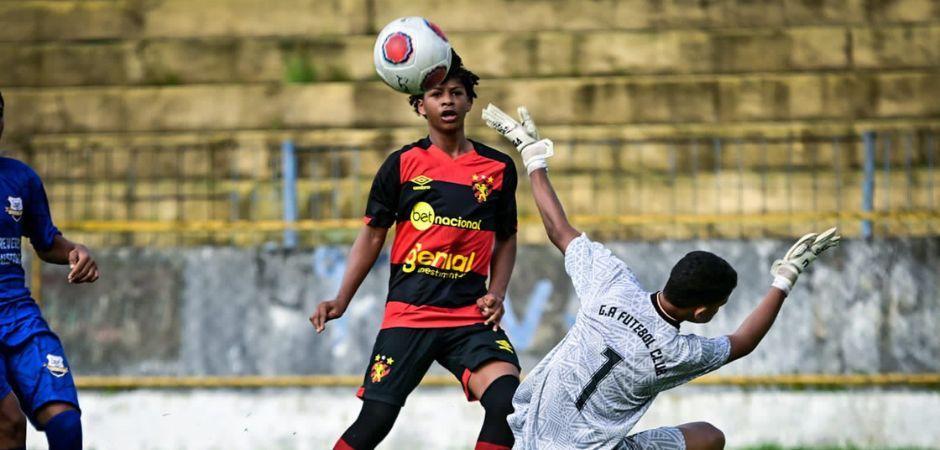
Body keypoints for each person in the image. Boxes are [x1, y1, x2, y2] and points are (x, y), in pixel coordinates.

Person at [481, 103, 841, 450]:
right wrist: (785, 278)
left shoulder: (612, 284)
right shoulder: (677, 353)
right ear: (702, 312)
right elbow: (743, 342)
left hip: (528, 439)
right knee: (709, 437)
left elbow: (559, 229)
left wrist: (533, 156)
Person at [310, 53, 521, 450]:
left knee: (512, 406)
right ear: (419, 105)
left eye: (456, 93)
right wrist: (341, 299)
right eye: (437, 94)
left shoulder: (497, 168)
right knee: (374, 421)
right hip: (410, 315)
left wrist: (498, 291)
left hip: (468, 318)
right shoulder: (402, 165)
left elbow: (506, 236)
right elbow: (372, 236)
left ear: (470, 101)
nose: (447, 101)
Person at [0, 90, 99, 450]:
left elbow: (46, 242)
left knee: (67, 425)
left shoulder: (20, 179)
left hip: (19, 317)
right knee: (10, 423)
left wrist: (76, 251)